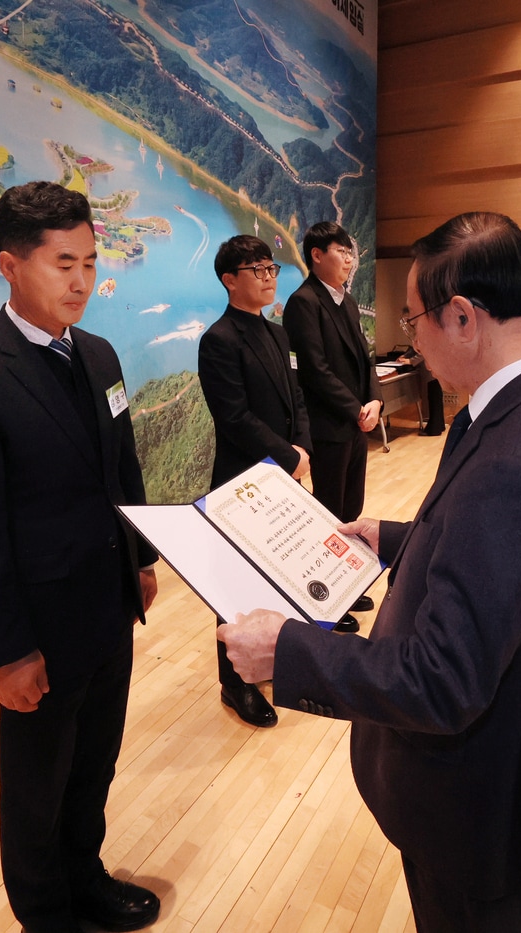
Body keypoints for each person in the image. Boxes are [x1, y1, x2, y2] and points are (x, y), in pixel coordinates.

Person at [219, 212, 521, 931]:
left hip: (485, 813)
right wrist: (395, 537)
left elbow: (442, 679)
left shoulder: (514, 460)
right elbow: (497, 553)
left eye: (414, 317)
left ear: (463, 317)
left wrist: (289, 648)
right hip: (513, 779)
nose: (412, 338)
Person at [0, 181, 161, 933]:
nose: (83, 281)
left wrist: (143, 559)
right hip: (39, 624)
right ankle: (45, 909)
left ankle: (84, 874)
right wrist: (6, 650)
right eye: (64, 263)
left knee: (95, 761)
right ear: (9, 264)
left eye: (90, 261)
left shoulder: (99, 353)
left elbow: (124, 465)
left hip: (109, 601)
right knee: (37, 780)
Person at [198, 234, 313, 728]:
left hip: (283, 475)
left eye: (272, 269)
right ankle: (234, 684)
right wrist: (289, 456)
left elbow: (298, 397)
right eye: (257, 270)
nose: (269, 277)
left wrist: (301, 448)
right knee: (235, 588)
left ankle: (266, 659)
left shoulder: (279, 334)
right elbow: (234, 417)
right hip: (242, 481)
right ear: (230, 280)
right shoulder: (219, 340)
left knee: (277, 574)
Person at [282, 222, 382, 632]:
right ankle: (324, 599)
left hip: (356, 425)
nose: (348, 258)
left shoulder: (349, 300)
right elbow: (315, 372)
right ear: (317, 255)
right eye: (340, 251)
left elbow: (365, 356)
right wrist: (357, 408)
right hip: (329, 429)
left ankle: (345, 585)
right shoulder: (303, 303)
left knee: (349, 510)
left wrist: (374, 399)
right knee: (326, 517)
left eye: (350, 251)